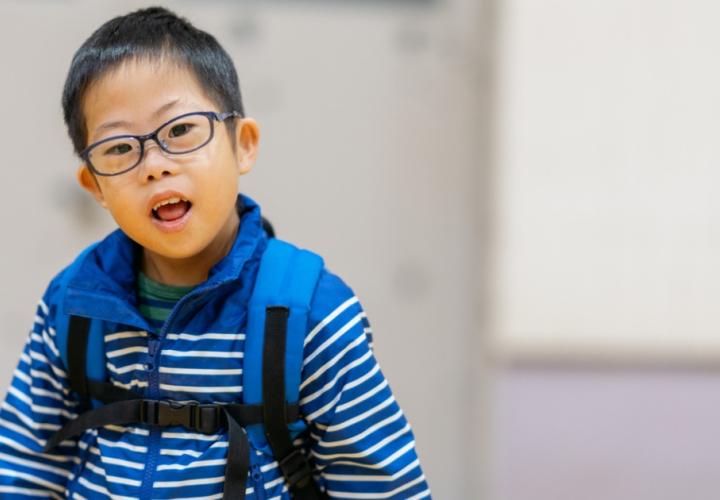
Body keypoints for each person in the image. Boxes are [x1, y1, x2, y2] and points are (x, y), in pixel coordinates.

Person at [0, 6, 430, 500]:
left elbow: (380, 487)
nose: (155, 166)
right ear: (94, 185)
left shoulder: (307, 313)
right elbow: (25, 464)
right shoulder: (73, 304)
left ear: (243, 144)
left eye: (180, 130)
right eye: (119, 149)